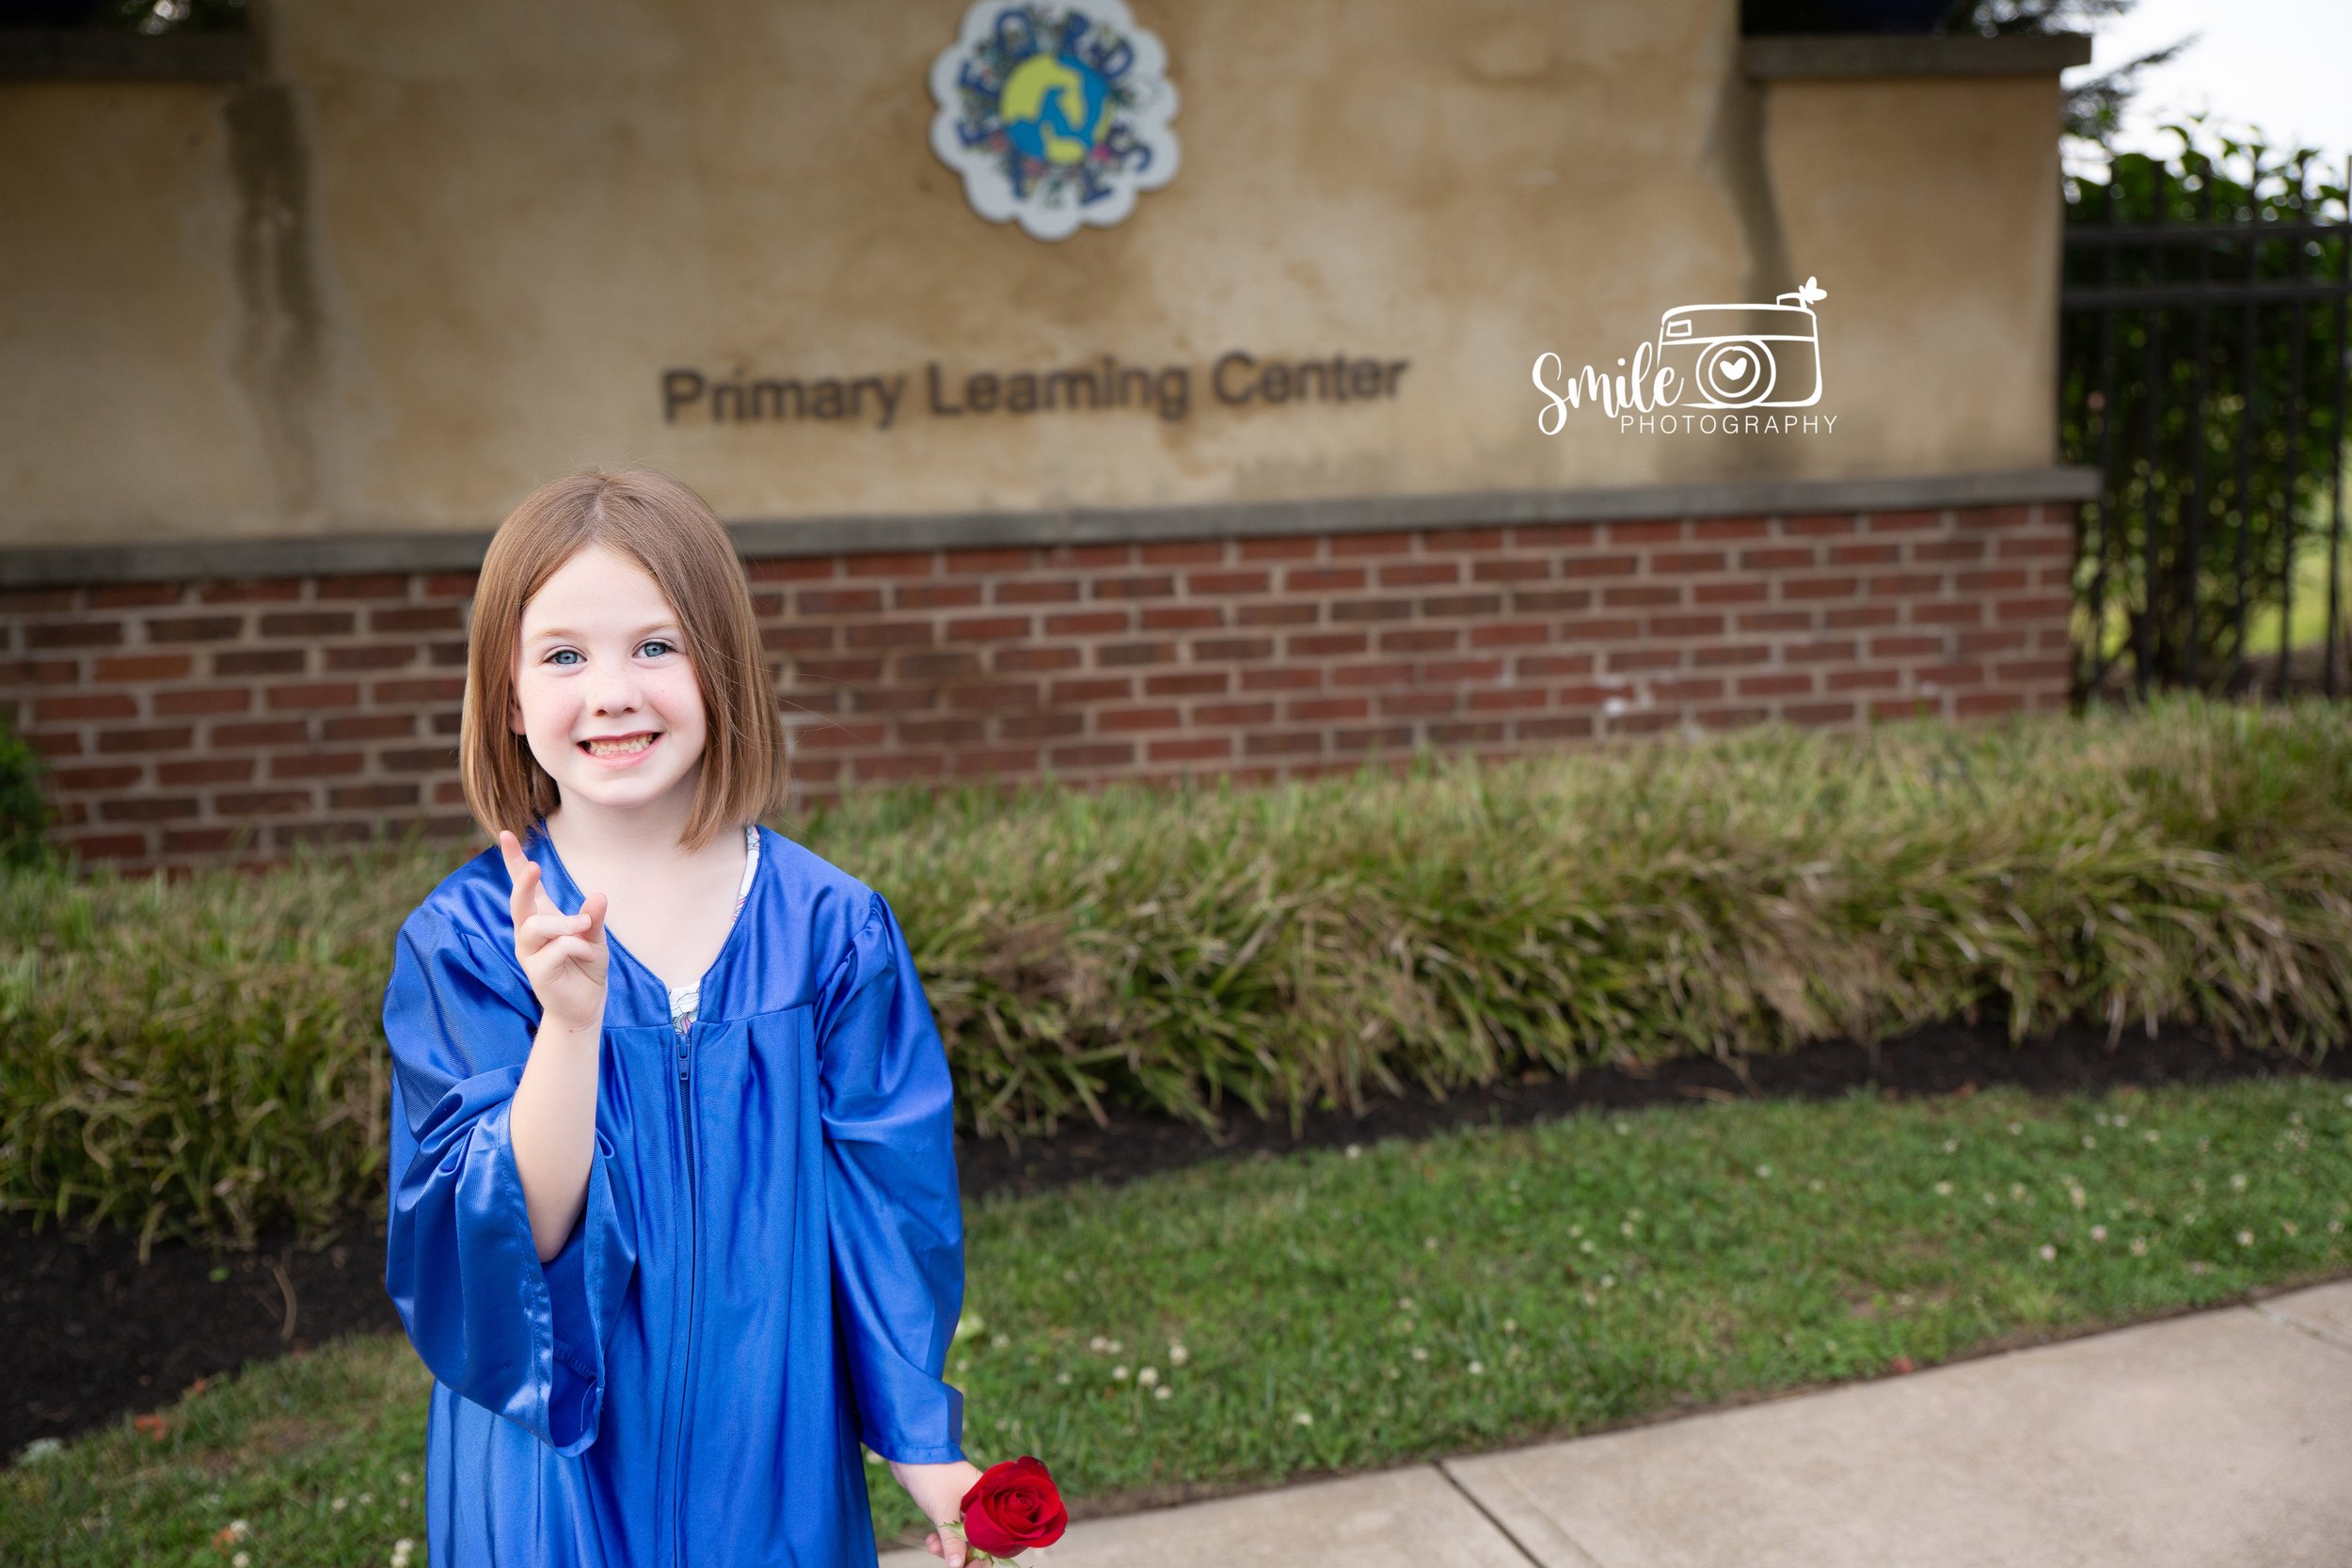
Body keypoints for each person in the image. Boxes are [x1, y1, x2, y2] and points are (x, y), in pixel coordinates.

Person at [381, 467, 984, 1565]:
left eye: (656, 646)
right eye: (564, 655)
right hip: (552, 1469)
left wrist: (918, 1436)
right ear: (507, 698)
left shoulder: (829, 929)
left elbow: (885, 1203)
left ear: (726, 670)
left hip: (772, 1446)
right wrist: (567, 1028)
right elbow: (511, 1239)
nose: (612, 691)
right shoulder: (467, 944)